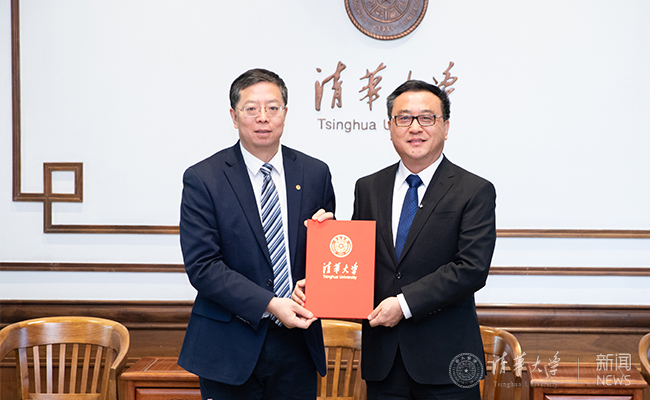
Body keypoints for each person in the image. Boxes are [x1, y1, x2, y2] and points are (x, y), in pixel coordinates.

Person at [178, 68, 335, 400]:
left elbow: (322, 261)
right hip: (229, 345)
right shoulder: (204, 178)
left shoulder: (315, 173)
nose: (263, 117)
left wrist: (329, 240)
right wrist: (270, 303)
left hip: (298, 345)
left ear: (285, 114)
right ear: (234, 116)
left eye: (273, 108)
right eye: (251, 108)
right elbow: (203, 267)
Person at [352, 80, 496, 399]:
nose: (415, 127)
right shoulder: (368, 188)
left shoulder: (474, 190)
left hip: (447, 362)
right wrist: (328, 237)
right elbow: (359, 260)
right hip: (383, 362)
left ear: (446, 127)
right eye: (404, 118)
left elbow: (471, 269)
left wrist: (403, 305)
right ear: (390, 127)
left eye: (426, 118)